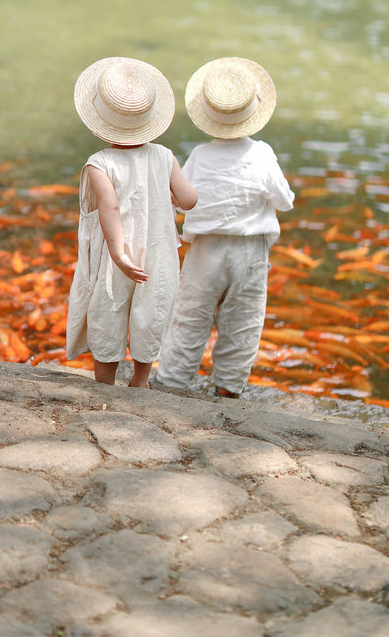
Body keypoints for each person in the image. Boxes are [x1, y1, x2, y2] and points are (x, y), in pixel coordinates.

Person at [156, 56, 294, 398]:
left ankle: (172, 383)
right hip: (250, 251)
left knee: (190, 315)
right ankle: (228, 389)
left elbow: (179, 196)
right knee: (242, 321)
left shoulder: (201, 155)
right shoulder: (263, 155)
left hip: (205, 249)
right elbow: (284, 200)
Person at [66, 57, 197, 389]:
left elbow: (109, 208)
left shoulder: (100, 163)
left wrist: (120, 255)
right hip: (157, 254)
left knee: (107, 313)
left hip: (116, 258)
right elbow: (189, 200)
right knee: (150, 312)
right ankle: (140, 380)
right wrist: (168, 196)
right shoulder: (165, 156)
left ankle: (105, 382)